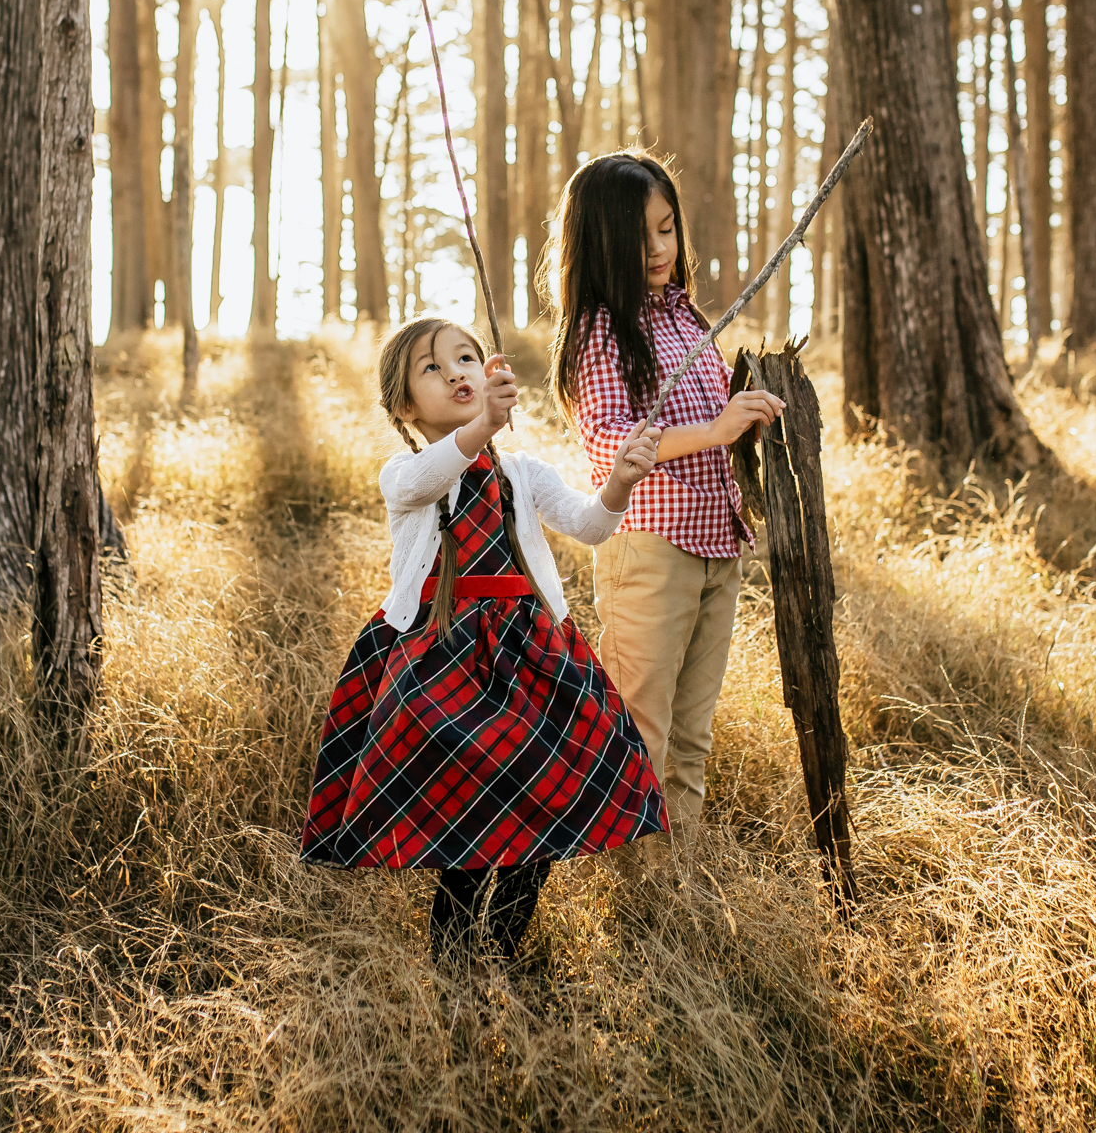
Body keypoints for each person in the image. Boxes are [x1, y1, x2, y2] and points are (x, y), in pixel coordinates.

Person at [300, 315, 669, 967]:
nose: (455, 373)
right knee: (469, 831)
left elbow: (588, 525)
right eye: (432, 368)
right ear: (404, 405)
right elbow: (428, 479)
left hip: (531, 655)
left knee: (548, 803)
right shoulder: (407, 473)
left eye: (465, 358)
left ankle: (499, 949)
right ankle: (455, 977)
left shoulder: (522, 472)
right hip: (446, 663)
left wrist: (620, 481)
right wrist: (482, 429)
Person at [546, 152, 784, 865]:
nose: (658, 249)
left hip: (717, 544)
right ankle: (634, 892)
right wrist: (714, 428)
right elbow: (612, 441)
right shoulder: (598, 331)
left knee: (691, 736)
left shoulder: (689, 322)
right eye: (639, 235)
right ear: (600, 242)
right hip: (651, 548)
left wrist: (752, 412)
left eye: (667, 229)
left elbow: (718, 426)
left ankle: (674, 887)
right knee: (640, 729)